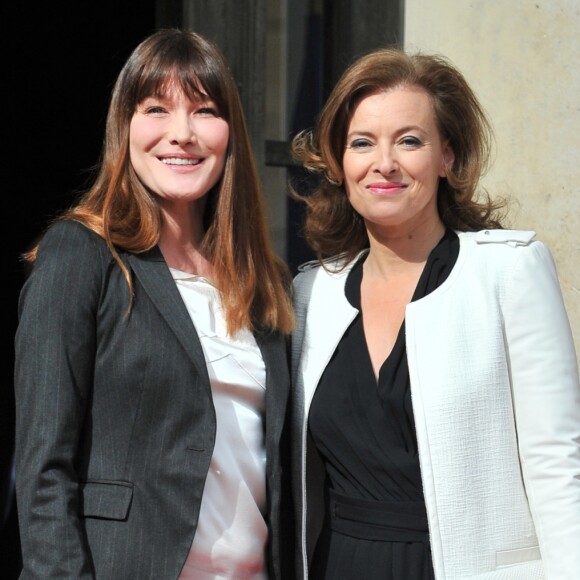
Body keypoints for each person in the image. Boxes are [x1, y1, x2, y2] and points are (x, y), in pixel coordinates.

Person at [14, 28, 295, 579]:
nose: (182, 134)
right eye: (157, 108)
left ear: (230, 133)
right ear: (125, 126)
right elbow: (44, 468)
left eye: (205, 110)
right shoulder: (83, 254)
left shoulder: (264, 284)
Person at [289, 47, 580, 579]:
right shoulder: (311, 294)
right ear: (339, 163)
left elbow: (556, 464)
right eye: (361, 143)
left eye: (410, 140)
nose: (385, 163)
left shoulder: (507, 274)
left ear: (446, 157)